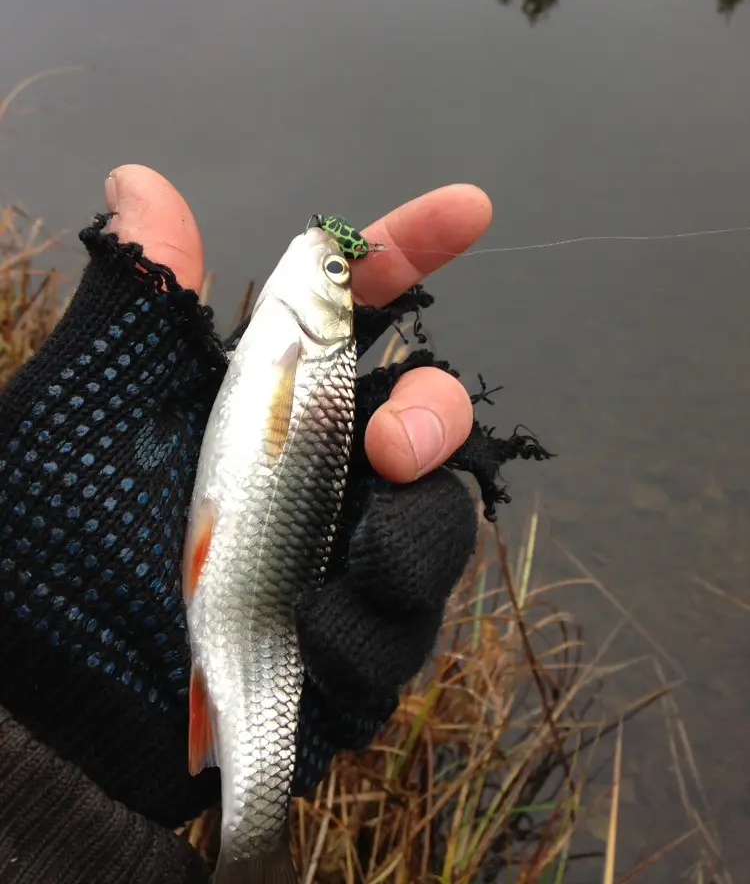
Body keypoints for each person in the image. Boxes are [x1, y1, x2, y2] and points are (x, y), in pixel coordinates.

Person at [0, 166, 540, 883]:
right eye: (335, 267)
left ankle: (254, 842)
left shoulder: (306, 351)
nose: (326, 254)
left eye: (334, 267)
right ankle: (254, 841)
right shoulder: (296, 351)